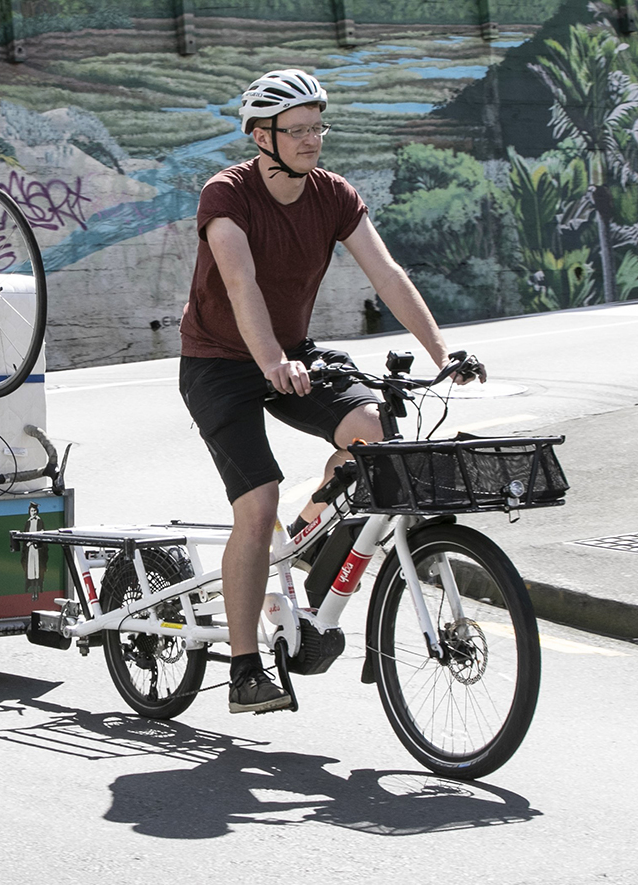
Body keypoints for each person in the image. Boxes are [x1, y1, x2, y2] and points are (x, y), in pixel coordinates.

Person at [178, 69, 483, 714]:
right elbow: (242, 286)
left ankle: (307, 533)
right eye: (297, 130)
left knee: (371, 431)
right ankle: (243, 668)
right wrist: (271, 362)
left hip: (293, 358)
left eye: (319, 127)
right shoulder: (226, 196)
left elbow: (389, 274)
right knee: (256, 505)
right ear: (262, 136)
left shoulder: (333, 195)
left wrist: (443, 353)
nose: (313, 140)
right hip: (220, 363)